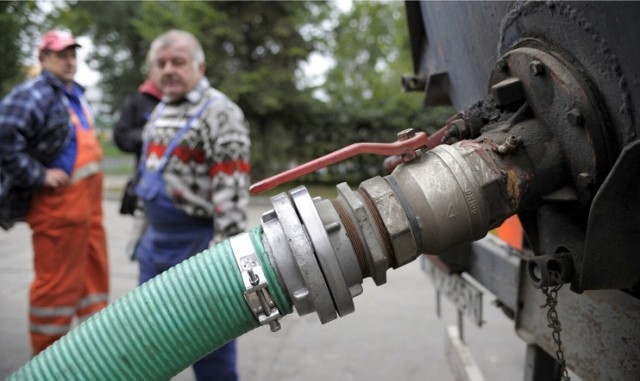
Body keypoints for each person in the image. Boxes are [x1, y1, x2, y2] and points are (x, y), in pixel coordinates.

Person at [136, 29, 250, 381]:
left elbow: (231, 193)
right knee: (146, 345)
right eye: (161, 63)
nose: (169, 69)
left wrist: (220, 266)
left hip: (197, 249)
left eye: (178, 62)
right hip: (154, 246)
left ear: (199, 66)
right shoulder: (159, 111)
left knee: (210, 347)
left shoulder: (220, 112)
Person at [0, 30, 109, 355]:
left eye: (72, 54)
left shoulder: (75, 94)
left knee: (93, 282)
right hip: (57, 211)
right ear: (43, 59)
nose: (69, 60)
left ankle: (98, 352)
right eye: (61, 54)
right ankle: (49, 363)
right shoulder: (33, 93)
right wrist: (38, 174)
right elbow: (4, 138)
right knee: (56, 290)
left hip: (89, 212)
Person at [113, 51, 163, 258]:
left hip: (183, 196)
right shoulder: (137, 101)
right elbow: (121, 137)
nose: (167, 70)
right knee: (146, 252)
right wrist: (149, 136)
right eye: (160, 65)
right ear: (150, 70)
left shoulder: (189, 102)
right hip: (147, 189)